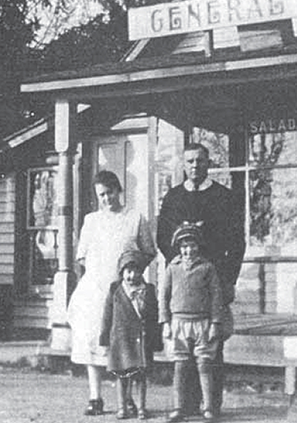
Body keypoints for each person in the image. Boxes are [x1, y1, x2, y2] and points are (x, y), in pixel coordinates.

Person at [156, 143, 245, 415]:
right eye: (190, 161)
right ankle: (187, 405)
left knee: (211, 345)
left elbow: (237, 243)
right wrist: (181, 267)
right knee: (184, 351)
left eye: (201, 161)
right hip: (185, 285)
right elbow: (162, 238)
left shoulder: (223, 196)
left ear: (209, 163)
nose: (195, 166)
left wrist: (228, 278)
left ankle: (211, 406)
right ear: (184, 165)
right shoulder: (173, 197)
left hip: (213, 281)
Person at [67, 170, 156, 416]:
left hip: (124, 290)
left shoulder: (135, 218)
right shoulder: (91, 220)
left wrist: (131, 274)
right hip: (95, 288)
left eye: (109, 193)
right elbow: (82, 257)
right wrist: (98, 276)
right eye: (101, 195)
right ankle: (95, 397)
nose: (106, 199)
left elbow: (149, 251)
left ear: (119, 190)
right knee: (91, 339)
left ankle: (126, 399)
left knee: (124, 343)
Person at [160, 222, 224, 422]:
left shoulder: (207, 268)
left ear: (199, 246)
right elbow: (163, 295)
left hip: (202, 323)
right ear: (179, 248)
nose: (188, 250)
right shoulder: (172, 267)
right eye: (184, 246)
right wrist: (165, 322)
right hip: (179, 323)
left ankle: (208, 407)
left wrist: (215, 323)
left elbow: (216, 297)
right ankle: (179, 407)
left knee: (204, 365)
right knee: (180, 365)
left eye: (192, 245)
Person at [99, 250, 162, 420]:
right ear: (122, 273)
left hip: (141, 340)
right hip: (121, 340)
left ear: (141, 272)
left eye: (135, 271)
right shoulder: (116, 290)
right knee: (122, 376)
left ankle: (141, 407)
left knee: (140, 376)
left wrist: (156, 340)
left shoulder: (148, 290)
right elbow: (107, 315)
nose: (131, 276)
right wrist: (104, 339)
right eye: (127, 271)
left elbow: (154, 316)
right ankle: (122, 407)